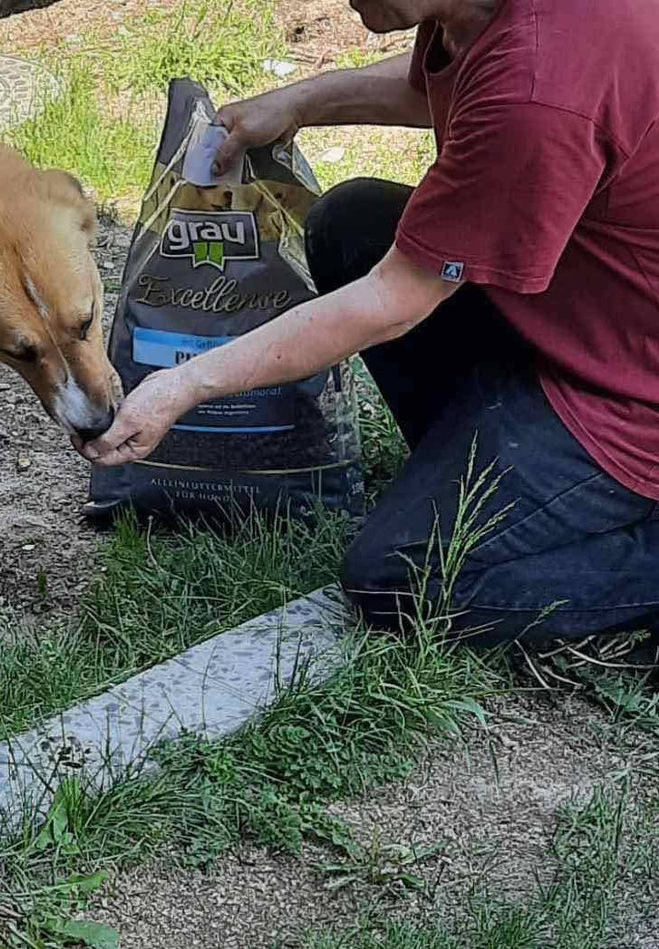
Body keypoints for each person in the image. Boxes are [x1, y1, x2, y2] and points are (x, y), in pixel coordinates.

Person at [81, 0, 659, 646]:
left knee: (399, 578)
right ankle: (486, 465)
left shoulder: (541, 86)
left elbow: (394, 299)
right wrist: (298, 102)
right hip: (585, 320)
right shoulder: (485, 18)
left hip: (630, 397)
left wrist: (185, 384)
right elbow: (440, 87)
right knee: (351, 223)